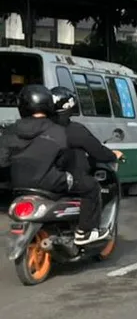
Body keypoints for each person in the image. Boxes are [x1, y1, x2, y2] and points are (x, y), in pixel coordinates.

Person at [0, 85, 105, 245]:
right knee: (91, 186)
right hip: (51, 183)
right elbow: (65, 161)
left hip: (16, 186)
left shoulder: (10, 131)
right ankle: (85, 231)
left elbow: (3, 161)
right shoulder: (59, 131)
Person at [49, 86, 122, 244]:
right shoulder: (74, 130)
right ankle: (84, 231)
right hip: (66, 180)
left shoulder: (41, 128)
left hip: (38, 179)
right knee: (92, 187)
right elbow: (98, 151)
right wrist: (113, 155)